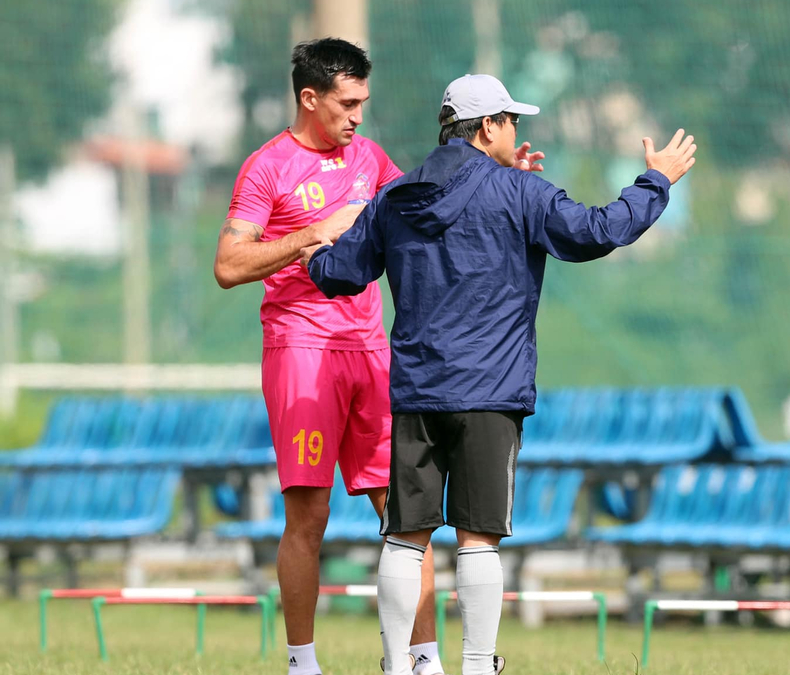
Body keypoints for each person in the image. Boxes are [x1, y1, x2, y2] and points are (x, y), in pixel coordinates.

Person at [305, 73, 696, 675]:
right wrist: (656, 181)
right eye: (512, 121)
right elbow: (600, 231)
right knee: (478, 535)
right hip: (491, 393)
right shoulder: (518, 194)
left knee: (405, 536)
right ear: (489, 128)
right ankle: (479, 664)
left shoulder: (397, 196)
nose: (518, 131)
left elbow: (339, 273)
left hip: (416, 393)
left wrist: (314, 254)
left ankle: (393, 663)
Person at [213, 38, 443, 675]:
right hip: (302, 353)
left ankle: (422, 661)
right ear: (309, 98)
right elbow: (229, 265)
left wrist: (504, 180)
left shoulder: (370, 158)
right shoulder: (267, 168)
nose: (358, 116)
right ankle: (302, 662)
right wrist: (309, 234)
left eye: (364, 102)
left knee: (407, 511)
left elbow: (426, 212)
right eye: (347, 103)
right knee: (308, 514)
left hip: (371, 350)